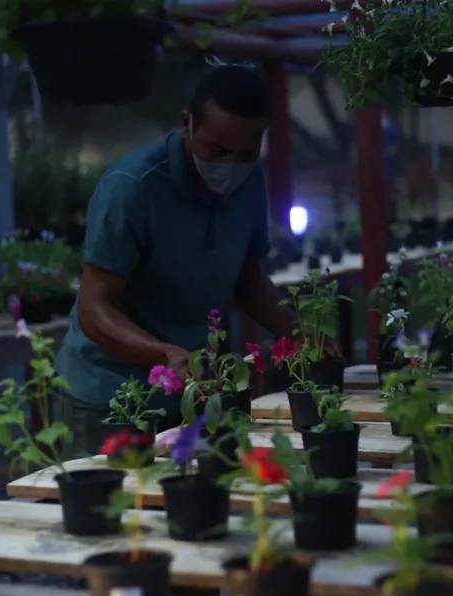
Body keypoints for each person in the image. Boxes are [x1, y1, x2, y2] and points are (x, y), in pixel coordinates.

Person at [55, 65, 307, 457]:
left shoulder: (250, 182)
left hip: (191, 391)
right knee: (114, 510)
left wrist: (298, 331)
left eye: (245, 152)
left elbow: (247, 277)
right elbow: (93, 308)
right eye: (216, 149)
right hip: (110, 397)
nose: (229, 165)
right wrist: (165, 353)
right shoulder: (133, 188)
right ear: (187, 124)